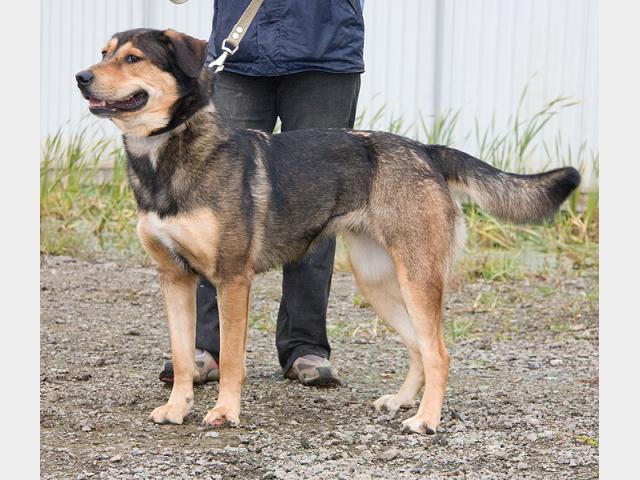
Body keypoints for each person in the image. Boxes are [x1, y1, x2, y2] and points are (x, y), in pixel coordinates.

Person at [160, 0, 365, 386]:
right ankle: (208, 348)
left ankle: (305, 346)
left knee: (319, 204)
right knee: (213, 207)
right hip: (241, 53)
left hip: (326, 50)